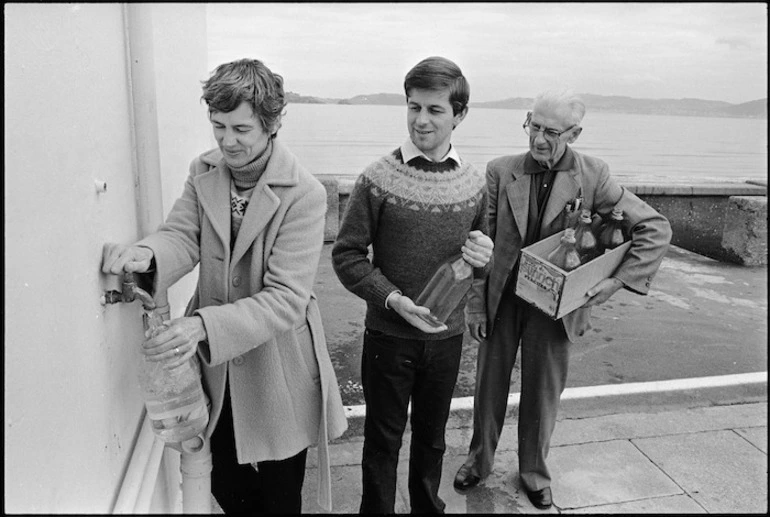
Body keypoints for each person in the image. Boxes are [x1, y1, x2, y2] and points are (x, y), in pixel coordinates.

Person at [102, 58, 348, 514]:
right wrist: (149, 255)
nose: (228, 141)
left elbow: (285, 301)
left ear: (272, 124)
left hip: (279, 368)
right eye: (218, 127)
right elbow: (181, 233)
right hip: (217, 363)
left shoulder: (306, 194)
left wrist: (199, 326)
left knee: (279, 493)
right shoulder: (204, 170)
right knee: (224, 479)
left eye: (241, 129)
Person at [452, 90, 673, 509]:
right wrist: (478, 304)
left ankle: (534, 473)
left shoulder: (594, 175)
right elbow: (483, 244)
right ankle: (478, 463)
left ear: (574, 133)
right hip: (503, 300)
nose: (538, 139)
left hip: (557, 310)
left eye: (551, 132)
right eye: (533, 126)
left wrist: (617, 282)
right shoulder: (500, 170)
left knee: (543, 394)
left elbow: (655, 228)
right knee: (488, 388)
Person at [332, 56, 494, 514]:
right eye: (413, 107)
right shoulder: (377, 179)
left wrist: (484, 257)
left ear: (459, 115)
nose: (420, 120)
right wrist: (393, 299)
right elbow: (345, 256)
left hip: (447, 338)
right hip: (388, 335)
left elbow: (480, 255)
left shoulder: (474, 183)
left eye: (435, 110)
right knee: (381, 444)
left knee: (432, 439)